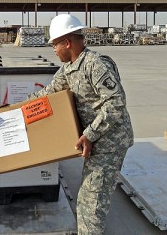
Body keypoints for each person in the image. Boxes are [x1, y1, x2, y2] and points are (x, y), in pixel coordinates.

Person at [28, 14, 134, 235]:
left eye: (55, 44)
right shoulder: (70, 68)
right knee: (87, 198)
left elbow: (115, 103)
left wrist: (89, 135)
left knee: (91, 203)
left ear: (67, 43)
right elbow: (47, 94)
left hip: (110, 142)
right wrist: (14, 110)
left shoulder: (95, 65)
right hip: (96, 142)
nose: (54, 50)